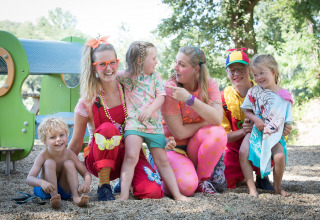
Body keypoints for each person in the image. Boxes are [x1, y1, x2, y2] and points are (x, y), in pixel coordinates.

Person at [68, 37, 163, 201]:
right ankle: (104, 186)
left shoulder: (129, 87)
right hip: (99, 158)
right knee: (108, 129)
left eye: (113, 62)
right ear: (93, 67)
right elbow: (76, 143)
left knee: (152, 192)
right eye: (102, 64)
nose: (109, 68)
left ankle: (125, 182)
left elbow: (153, 96)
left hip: (129, 155)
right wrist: (59, 166)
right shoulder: (88, 100)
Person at [116, 41, 189, 201]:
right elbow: (109, 78)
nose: (156, 62)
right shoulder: (125, 76)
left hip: (154, 126)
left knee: (162, 160)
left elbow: (161, 96)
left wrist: (150, 110)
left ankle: (177, 195)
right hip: (134, 124)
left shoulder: (155, 76)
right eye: (154, 58)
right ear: (139, 61)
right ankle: (123, 195)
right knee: (131, 156)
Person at [160, 45, 228, 196]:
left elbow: (217, 119)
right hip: (173, 148)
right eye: (176, 62)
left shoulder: (209, 84)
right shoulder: (171, 88)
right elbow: (179, 132)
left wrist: (189, 99)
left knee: (218, 133)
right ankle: (163, 176)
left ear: (196, 69)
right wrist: (206, 121)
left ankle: (202, 180)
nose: (175, 67)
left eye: (182, 64)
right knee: (185, 187)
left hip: (195, 148)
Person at [221, 49, 292, 190]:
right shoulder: (223, 98)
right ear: (227, 73)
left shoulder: (265, 89)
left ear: (249, 70)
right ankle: (243, 175)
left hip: (263, 138)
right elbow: (223, 136)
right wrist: (243, 131)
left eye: (241, 70)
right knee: (225, 182)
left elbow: (280, 116)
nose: (236, 74)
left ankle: (262, 176)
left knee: (271, 148)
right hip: (235, 147)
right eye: (232, 70)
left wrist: (285, 130)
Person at [239, 54, 293, 197]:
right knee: (243, 151)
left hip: (273, 133)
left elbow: (287, 122)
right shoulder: (253, 91)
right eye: (255, 75)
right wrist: (255, 119)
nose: (258, 78)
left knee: (279, 156)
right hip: (256, 131)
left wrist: (287, 129)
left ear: (273, 71)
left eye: (262, 73)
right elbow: (246, 109)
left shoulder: (284, 96)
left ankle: (277, 187)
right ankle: (252, 188)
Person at [26, 117, 91, 209]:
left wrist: (86, 184)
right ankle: (54, 197)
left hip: (64, 190)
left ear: (67, 135)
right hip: (46, 190)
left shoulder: (69, 154)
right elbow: (29, 178)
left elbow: (86, 173)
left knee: (69, 163)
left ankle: (76, 197)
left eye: (61, 135)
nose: (58, 139)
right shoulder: (43, 155)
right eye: (53, 137)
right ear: (45, 141)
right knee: (49, 163)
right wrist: (42, 183)